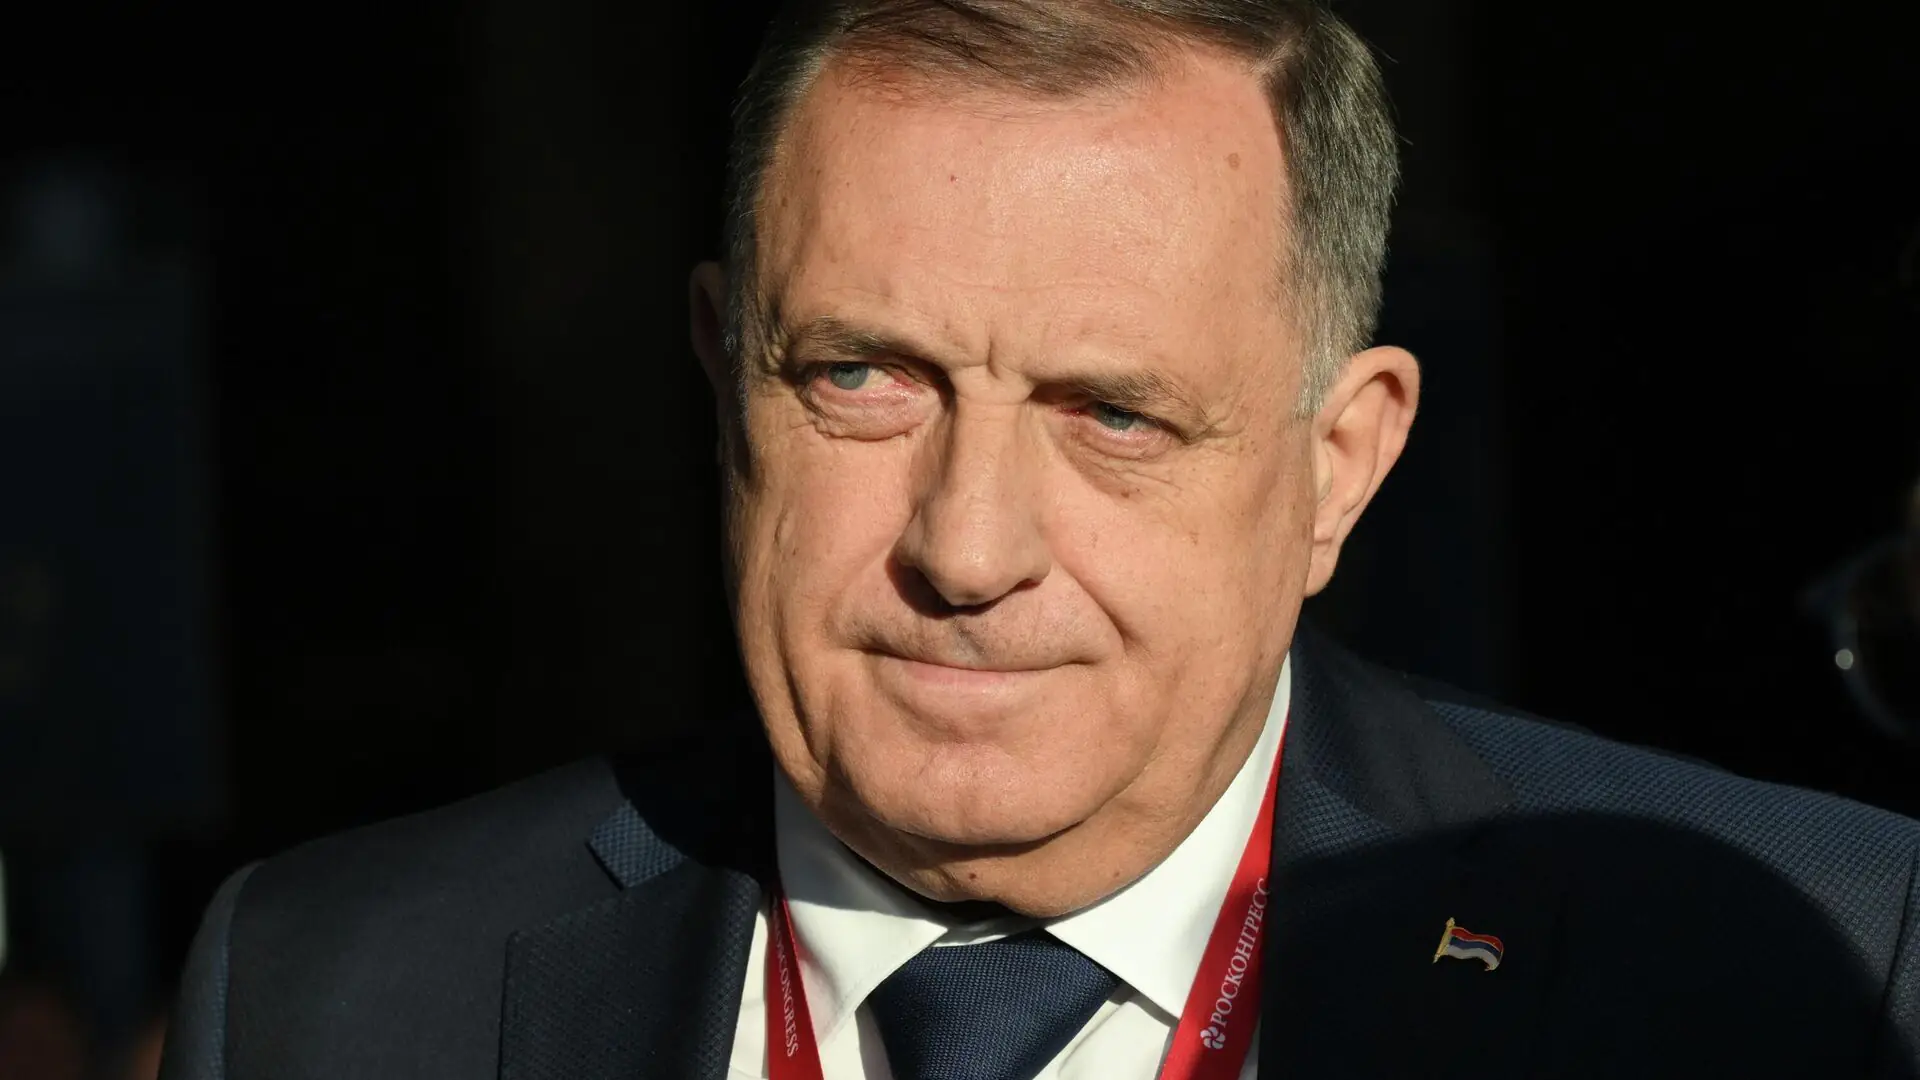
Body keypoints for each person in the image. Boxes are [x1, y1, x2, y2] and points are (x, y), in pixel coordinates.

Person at [159, 2, 1920, 1078]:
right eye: (861, 377)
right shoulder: (329, 995)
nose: (969, 545)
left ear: (1340, 465)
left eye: (1113, 413)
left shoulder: (1815, 975)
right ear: (721, 370)